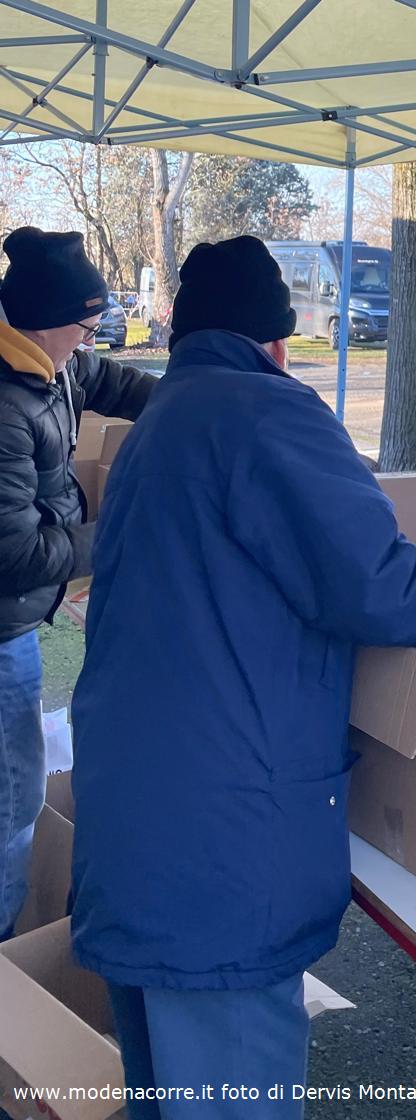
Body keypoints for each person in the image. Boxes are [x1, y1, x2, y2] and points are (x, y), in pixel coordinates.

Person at [69, 237, 416, 1119]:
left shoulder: (168, 414)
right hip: (222, 847)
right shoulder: (268, 410)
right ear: (277, 340)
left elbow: (292, 568)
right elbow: (370, 585)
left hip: (141, 823)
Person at [0, 227, 155, 938]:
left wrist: (196, 400)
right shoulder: (7, 407)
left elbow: (112, 382)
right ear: (45, 323)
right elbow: (18, 554)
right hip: (4, 630)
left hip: (19, 621)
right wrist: (119, 536)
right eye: (85, 330)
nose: (90, 344)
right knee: (13, 803)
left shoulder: (52, 365)